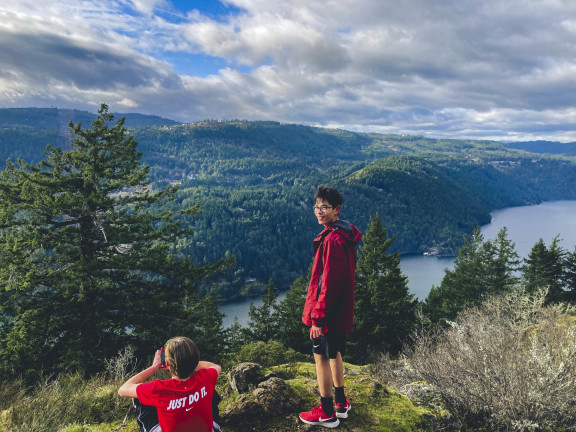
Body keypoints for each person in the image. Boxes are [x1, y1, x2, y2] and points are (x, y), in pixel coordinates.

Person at [299, 186, 362, 428]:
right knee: (334, 352)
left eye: (324, 207)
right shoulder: (342, 234)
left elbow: (328, 283)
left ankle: (326, 412)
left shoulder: (333, 240)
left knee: (320, 358)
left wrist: (317, 319)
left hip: (328, 312)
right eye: (316, 206)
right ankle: (340, 403)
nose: (319, 211)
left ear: (337, 209)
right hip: (339, 310)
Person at [118, 336, 222, 432]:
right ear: (195, 360)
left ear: (168, 362)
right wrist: (186, 362)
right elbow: (215, 366)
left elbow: (123, 390)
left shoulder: (158, 389)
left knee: (138, 397)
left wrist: (154, 367)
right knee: (210, 388)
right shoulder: (206, 378)